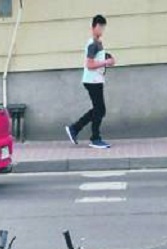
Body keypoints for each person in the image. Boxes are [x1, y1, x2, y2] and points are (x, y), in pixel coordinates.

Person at [66, 14, 115, 149]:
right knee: (100, 109)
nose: (101, 30)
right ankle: (94, 138)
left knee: (99, 109)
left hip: (96, 80)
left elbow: (97, 58)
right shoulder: (93, 44)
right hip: (92, 80)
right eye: (99, 27)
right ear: (93, 27)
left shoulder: (98, 43)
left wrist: (107, 57)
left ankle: (75, 129)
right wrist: (106, 61)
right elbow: (90, 64)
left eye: (103, 27)